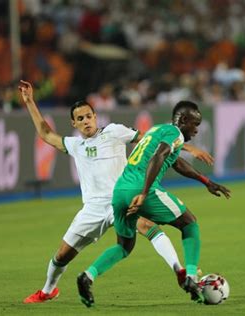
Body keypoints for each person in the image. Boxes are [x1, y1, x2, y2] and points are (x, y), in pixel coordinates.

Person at [17, 80, 214, 303]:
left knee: (149, 226)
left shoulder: (113, 131)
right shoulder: (75, 145)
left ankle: (179, 271)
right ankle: (48, 290)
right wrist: (30, 101)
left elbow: (150, 139)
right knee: (62, 255)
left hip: (121, 197)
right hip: (92, 209)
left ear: (95, 116)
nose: (86, 121)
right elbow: (45, 134)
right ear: (74, 123)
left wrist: (186, 146)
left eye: (88, 116)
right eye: (80, 119)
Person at [77, 101, 231, 307]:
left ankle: (88, 275)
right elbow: (159, 155)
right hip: (141, 188)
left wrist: (207, 182)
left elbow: (176, 162)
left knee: (124, 246)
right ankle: (191, 278)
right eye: (195, 124)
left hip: (120, 190)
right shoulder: (174, 133)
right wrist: (143, 193)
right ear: (183, 121)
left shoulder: (157, 129)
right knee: (189, 223)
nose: (196, 130)